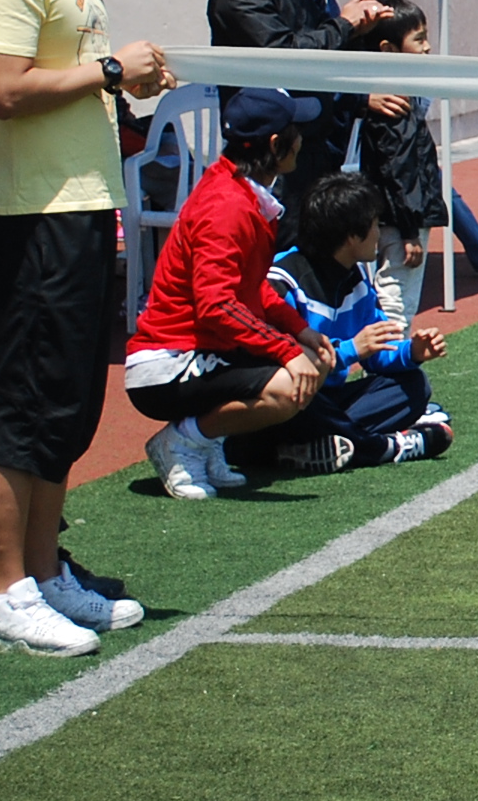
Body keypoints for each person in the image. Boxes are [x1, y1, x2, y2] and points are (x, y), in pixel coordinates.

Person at [0, 0, 174, 658]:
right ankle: (3, 589)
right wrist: (110, 72)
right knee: (23, 401)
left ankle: (45, 572)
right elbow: (3, 88)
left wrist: (121, 80)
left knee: (67, 401)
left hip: (78, 205)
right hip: (31, 213)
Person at [125, 88, 339, 499]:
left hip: (202, 348)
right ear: (275, 144)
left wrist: (299, 330)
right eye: (295, 131)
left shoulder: (239, 189)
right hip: (168, 360)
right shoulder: (227, 205)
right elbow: (217, 305)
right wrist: (287, 349)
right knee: (287, 386)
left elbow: (250, 287)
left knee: (314, 361)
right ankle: (182, 442)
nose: (301, 139)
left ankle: (203, 442)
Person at [207, 0, 406, 216]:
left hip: (308, 142)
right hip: (270, 153)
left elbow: (315, 38)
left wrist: (356, 28)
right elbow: (285, 55)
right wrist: (344, 24)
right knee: (277, 243)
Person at [264, 173, 454, 473]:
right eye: (375, 224)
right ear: (352, 236)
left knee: (413, 385)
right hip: (288, 400)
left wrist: (412, 352)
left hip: (327, 402)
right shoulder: (282, 282)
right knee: (303, 405)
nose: (378, 233)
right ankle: (378, 447)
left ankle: (321, 445)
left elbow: (378, 354)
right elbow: (277, 368)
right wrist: (350, 350)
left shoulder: (355, 275)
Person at [345, 0, 478, 309]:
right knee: (396, 298)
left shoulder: (406, 89)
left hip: (405, 203)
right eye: (419, 39)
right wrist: (408, 230)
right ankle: (393, 347)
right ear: (388, 49)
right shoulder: (391, 104)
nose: (428, 47)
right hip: (400, 211)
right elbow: (399, 168)